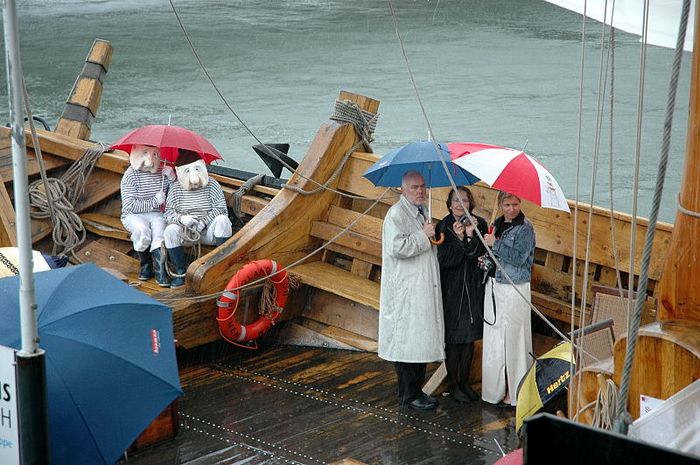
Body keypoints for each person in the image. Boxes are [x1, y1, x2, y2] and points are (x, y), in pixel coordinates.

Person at [378, 170, 445, 410]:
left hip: (420, 287)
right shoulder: (395, 214)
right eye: (415, 187)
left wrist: (429, 234)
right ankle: (408, 395)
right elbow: (398, 248)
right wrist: (423, 235)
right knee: (407, 342)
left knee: (420, 340)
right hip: (406, 289)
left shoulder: (421, 211)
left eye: (422, 187)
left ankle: (417, 390)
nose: (420, 191)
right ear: (403, 189)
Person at [481, 191, 536, 407]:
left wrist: (495, 243)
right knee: (495, 338)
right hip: (495, 285)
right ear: (500, 205)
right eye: (507, 204)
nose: (512, 208)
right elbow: (494, 254)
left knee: (515, 340)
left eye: (515, 204)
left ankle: (516, 393)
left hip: (515, 288)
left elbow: (520, 258)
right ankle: (494, 391)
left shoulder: (526, 228)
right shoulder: (497, 223)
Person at [436, 186, 488, 403]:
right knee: (453, 339)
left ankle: (465, 382)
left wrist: (470, 236)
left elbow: (479, 254)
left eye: (464, 201)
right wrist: (458, 239)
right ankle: (454, 384)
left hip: (473, 287)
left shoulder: (480, 224)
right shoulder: (443, 226)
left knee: (468, 339)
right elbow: (445, 260)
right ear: (449, 205)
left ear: (470, 204)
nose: (460, 205)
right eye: (455, 201)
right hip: (452, 289)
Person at [164, 148, 233, 288]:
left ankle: (219, 268)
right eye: (188, 171)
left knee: (223, 221)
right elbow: (168, 213)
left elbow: (221, 209)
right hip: (186, 234)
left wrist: (203, 222)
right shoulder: (176, 189)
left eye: (197, 169)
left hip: (208, 232)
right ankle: (180, 272)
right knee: (169, 231)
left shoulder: (212, 184)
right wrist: (182, 219)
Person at [120, 144, 175, 286]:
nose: (150, 160)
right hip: (133, 214)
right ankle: (145, 265)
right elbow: (129, 206)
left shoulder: (162, 172)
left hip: (156, 213)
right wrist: (154, 201)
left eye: (155, 155)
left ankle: (160, 271)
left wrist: (171, 179)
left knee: (159, 232)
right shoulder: (130, 175)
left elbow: (172, 197)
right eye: (145, 153)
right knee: (142, 229)